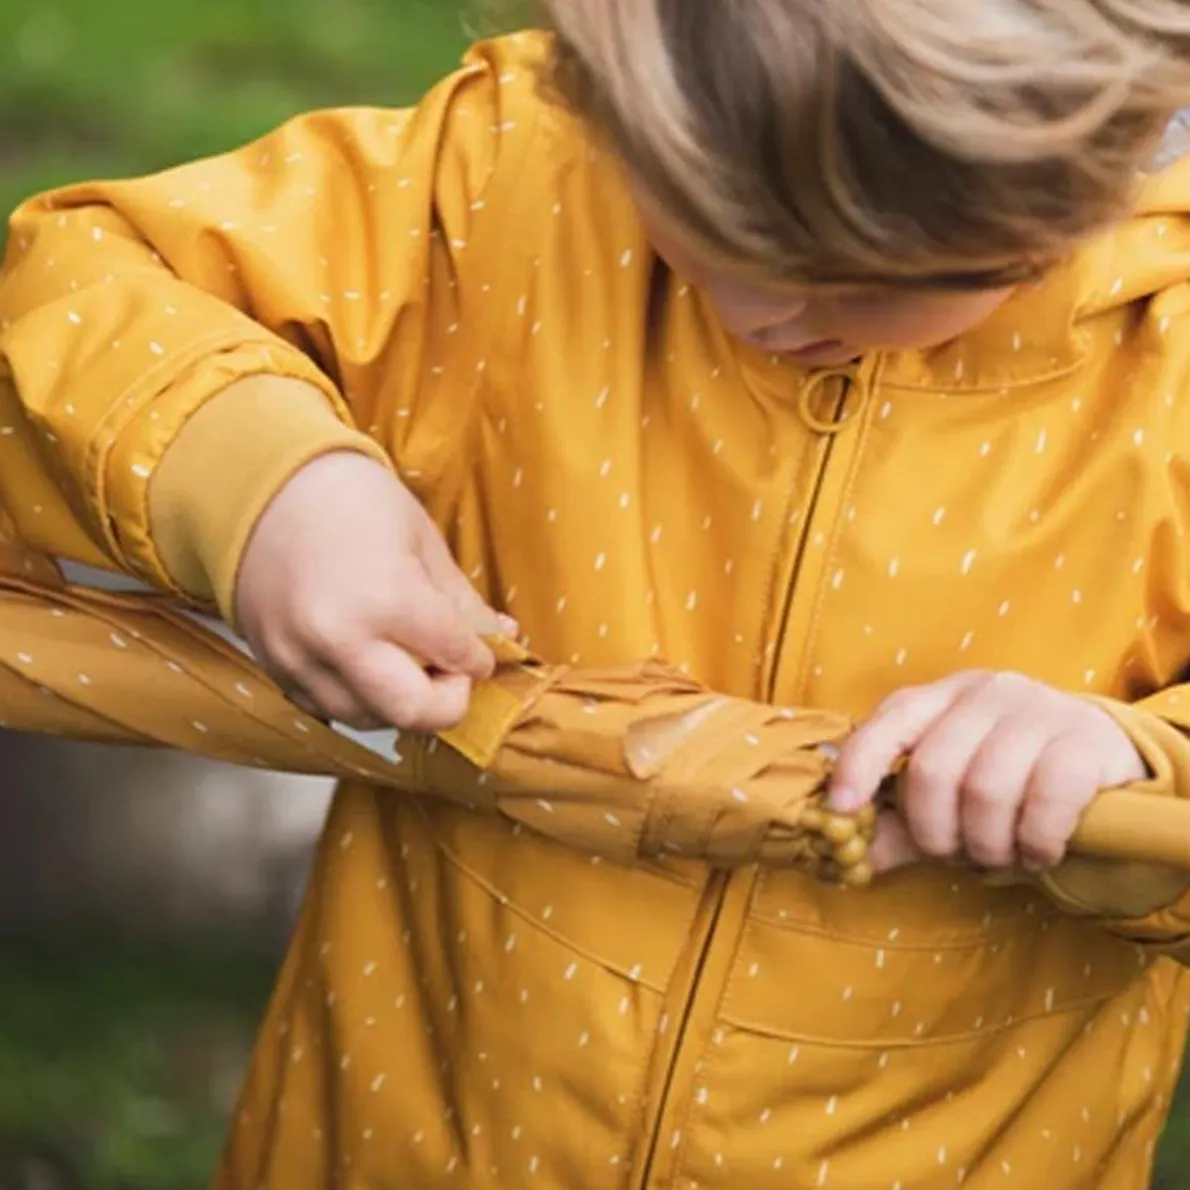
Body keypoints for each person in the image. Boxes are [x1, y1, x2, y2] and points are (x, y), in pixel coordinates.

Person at [4, 1, 1190, 1185]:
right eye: (703, 227)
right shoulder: (517, 170)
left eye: (860, 278)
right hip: (404, 1133)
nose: (756, 310)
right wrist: (268, 484)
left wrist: (1131, 759)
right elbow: (87, 284)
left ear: (1072, 186)